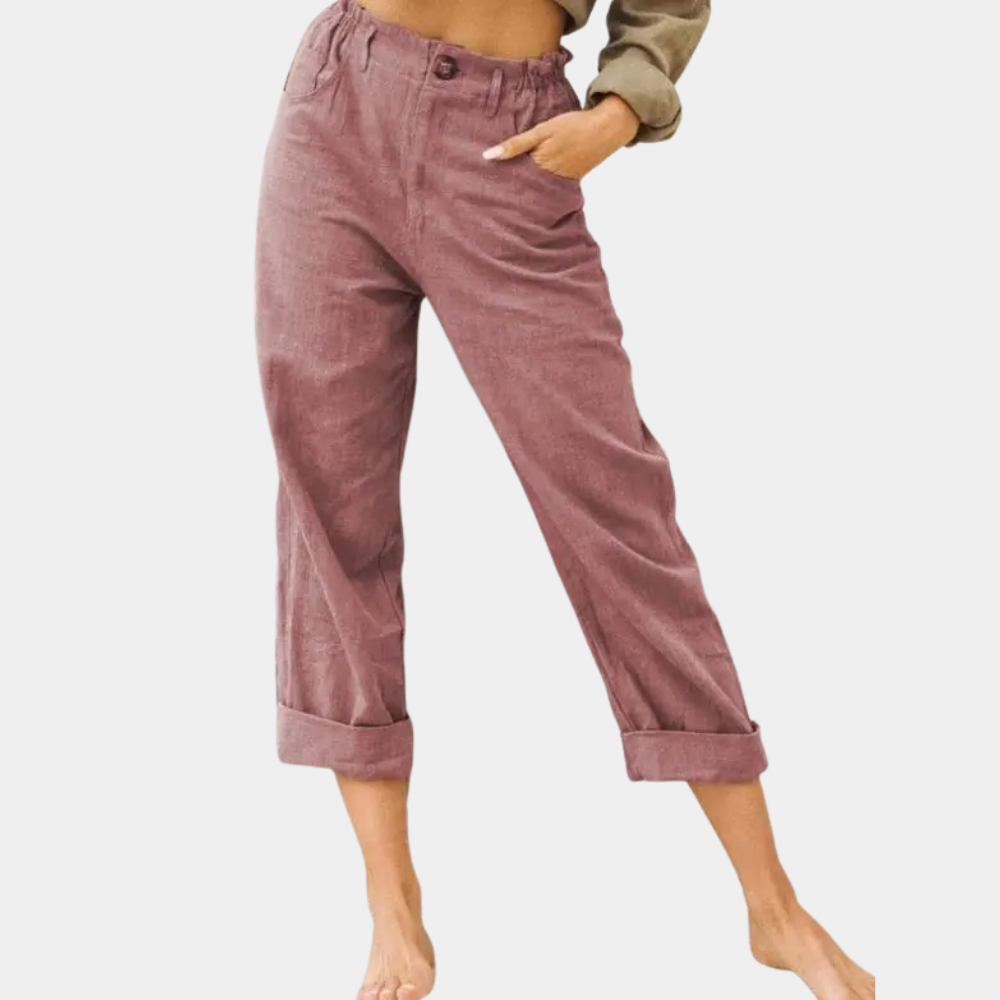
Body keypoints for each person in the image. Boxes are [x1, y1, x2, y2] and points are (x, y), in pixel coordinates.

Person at [253, 1, 876, 998]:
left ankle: (773, 906)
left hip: (506, 143)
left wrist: (620, 110)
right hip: (335, 109)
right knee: (332, 505)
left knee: (618, 512)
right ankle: (391, 902)